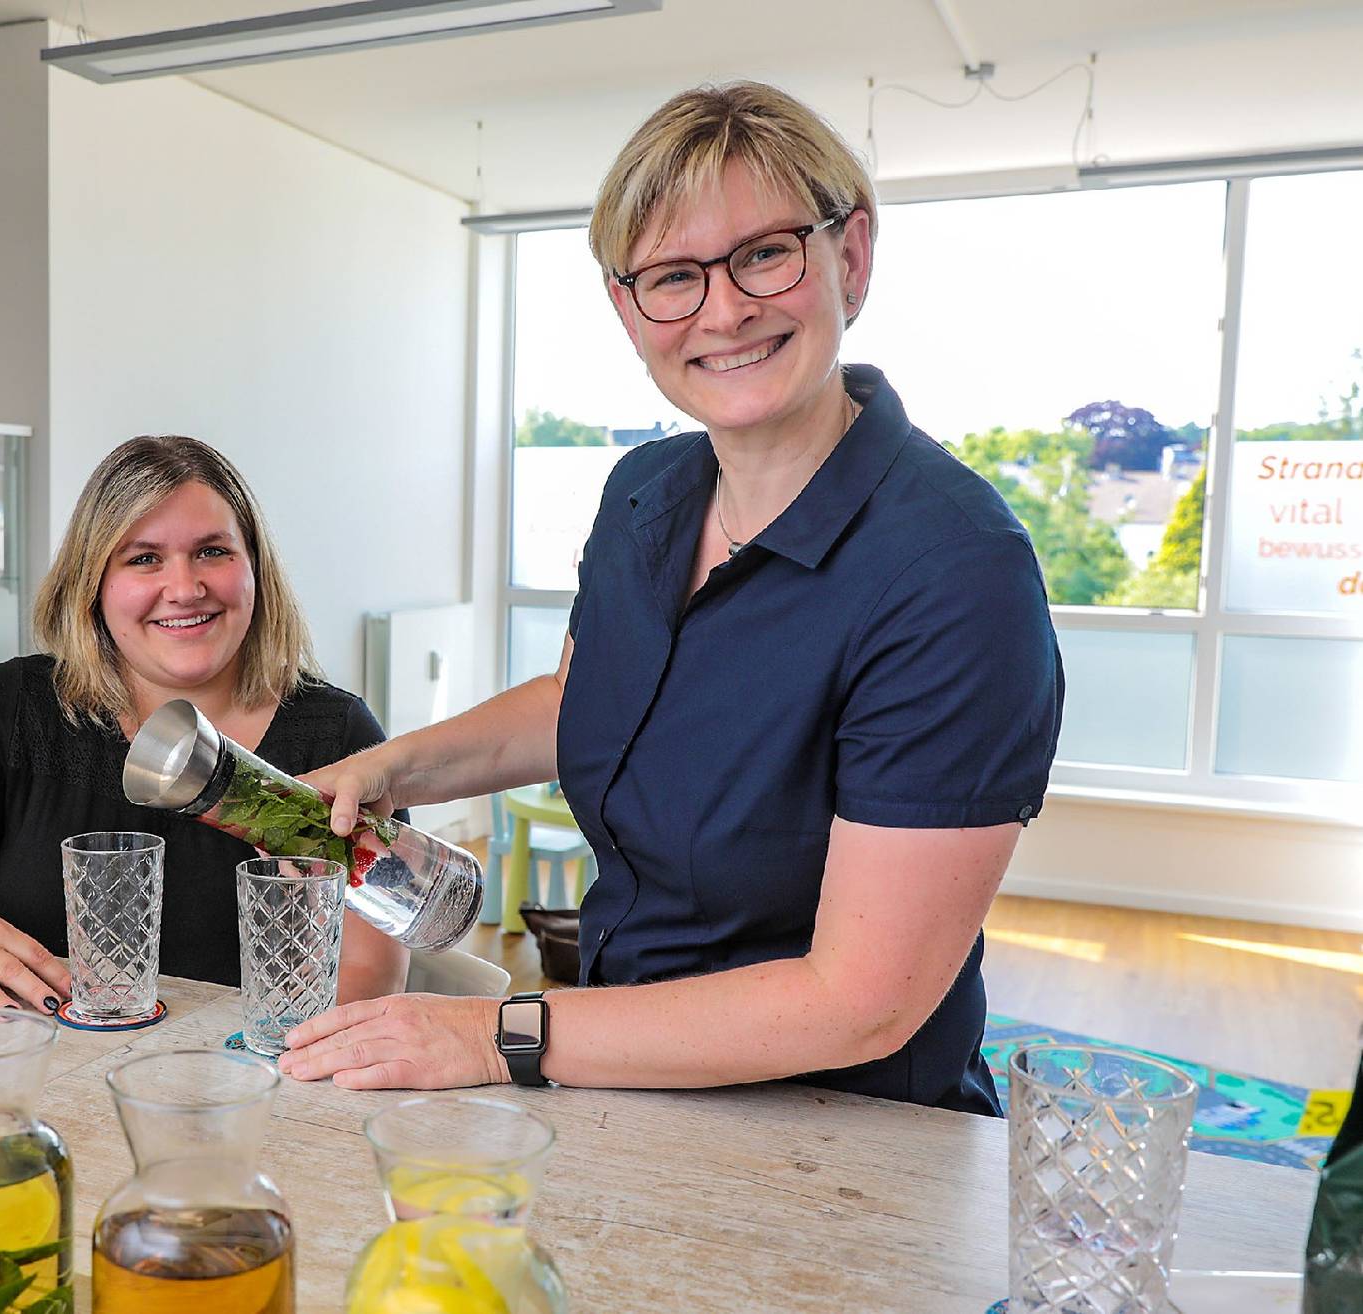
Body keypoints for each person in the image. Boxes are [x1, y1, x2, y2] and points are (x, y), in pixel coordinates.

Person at [280, 81, 1064, 1114]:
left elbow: (861, 1001)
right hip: (616, 1075)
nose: (725, 310)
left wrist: (494, 1032)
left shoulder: (954, 572)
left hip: (847, 1137)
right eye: (674, 277)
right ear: (626, 307)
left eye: (766, 253)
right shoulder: (643, 493)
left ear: (852, 256)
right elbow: (587, 702)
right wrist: (393, 768)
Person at [0, 436, 409, 1013]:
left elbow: (368, 976)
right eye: (144, 558)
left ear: (255, 568)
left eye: (212, 551)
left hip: (248, 1091)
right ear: (92, 583)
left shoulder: (338, 735)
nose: (185, 588)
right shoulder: (16, 708)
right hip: (31, 1071)